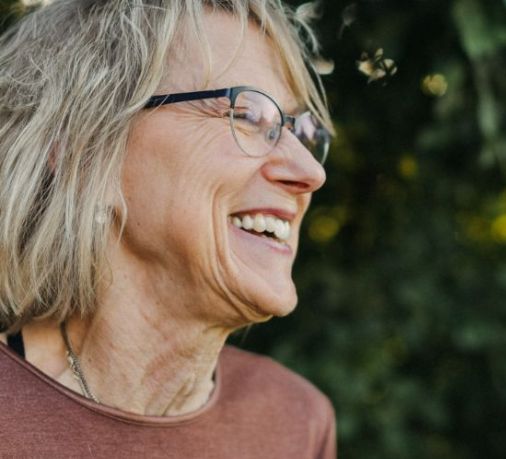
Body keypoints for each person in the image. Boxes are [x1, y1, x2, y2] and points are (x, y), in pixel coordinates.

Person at [0, 0, 335, 457]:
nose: (310, 171)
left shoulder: (294, 423)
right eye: (248, 115)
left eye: (304, 131)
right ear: (87, 154)